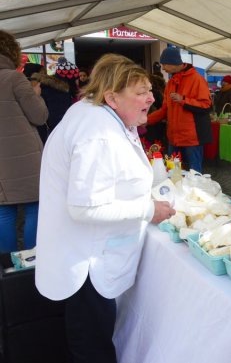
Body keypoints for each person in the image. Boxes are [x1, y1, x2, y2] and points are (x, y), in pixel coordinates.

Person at [35, 53, 176, 363]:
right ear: (112, 97)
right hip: (87, 266)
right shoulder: (97, 133)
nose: (151, 98)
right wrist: (147, 209)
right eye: (140, 93)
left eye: (150, 91)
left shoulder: (101, 117)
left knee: (89, 340)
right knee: (92, 349)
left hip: (88, 259)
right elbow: (85, 208)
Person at [0, 30, 48, 252]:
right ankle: (32, 261)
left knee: (4, 213)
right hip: (24, 160)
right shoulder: (14, 78)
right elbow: (39, 117)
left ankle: (8, 266)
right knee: (34, 207)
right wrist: (35, 94)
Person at [146, 47, 212, 173]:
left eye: (164, 64)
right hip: (173, 138)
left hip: (192, 138)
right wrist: (146, 120)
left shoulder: (197, 79)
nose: (163, 68)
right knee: (172, 171)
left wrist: (183, 100)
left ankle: (194, 192)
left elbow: (206, 105)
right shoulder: (171, 82)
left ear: (173, 63)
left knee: (194, 172)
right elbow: (164, 110)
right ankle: (174, 191)